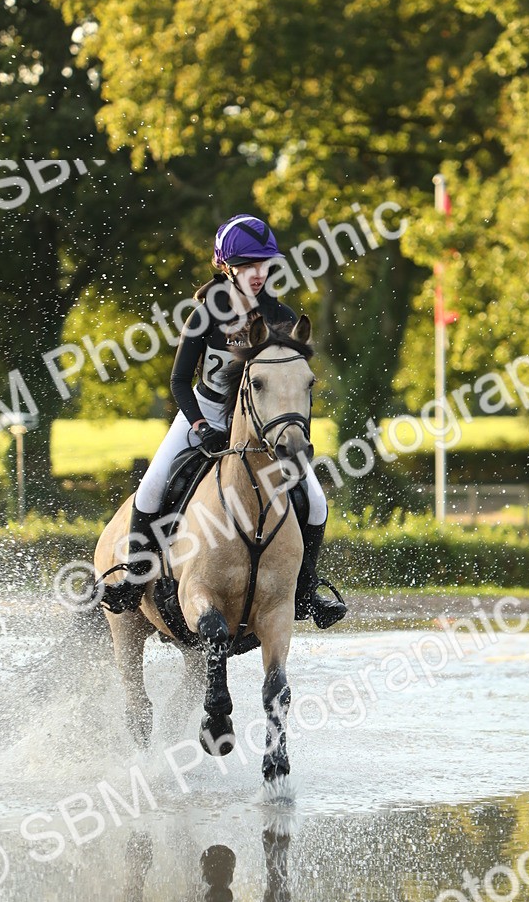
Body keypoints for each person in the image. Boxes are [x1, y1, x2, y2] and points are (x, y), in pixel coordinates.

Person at [101, 214, 346, 629]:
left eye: (264, 264)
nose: (258, 273)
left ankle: (306, 590)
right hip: (204, 409)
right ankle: (132, 578)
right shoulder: (205, 312)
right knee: (151, 488)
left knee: (316, 501)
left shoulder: (278, 314)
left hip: (258, 423)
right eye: (249, 265)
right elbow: (179, 380)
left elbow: (288, 380)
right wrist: (198, 425)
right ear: (227, 267)